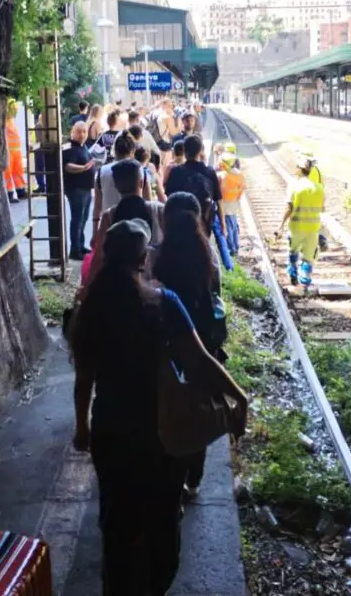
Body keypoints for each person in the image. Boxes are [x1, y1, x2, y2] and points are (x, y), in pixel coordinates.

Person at [70, 219, 247, 596]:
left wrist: (82, 426)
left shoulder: (92, 307)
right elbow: (200, 360)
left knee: (117, 520)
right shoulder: (163, 303)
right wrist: (239, 396)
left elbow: (84, 376)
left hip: (111, 428)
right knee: (162, 519)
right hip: (162, 431)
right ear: (142, 258)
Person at [151, 193, 226, 500]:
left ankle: (168, 477)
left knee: (166, 410)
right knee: (197, 410)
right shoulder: (208, 255)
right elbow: (216, 297)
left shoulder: (157, 256)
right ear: (199, 217)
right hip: (203, 346)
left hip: (166, 347)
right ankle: (192, 481)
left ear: (165, 219)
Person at [86, 158, 164, 285]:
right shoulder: (158, 211)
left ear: (116, 185)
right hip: (154, 284)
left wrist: (87, 288)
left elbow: (98, 257)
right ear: (141, 183)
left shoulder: (109, 216)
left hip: (120, 285)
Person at [274, 154, 324, 287]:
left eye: (296, 166)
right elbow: (322, 208)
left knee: (293, 251)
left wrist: (281, 225)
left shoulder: (295, 186)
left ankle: (293, 275)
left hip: (297, 226)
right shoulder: (319, 188)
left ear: (300, 169)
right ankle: (305, 283)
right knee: (309, 257)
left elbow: (289, 207)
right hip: (313, 228)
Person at [165, 134, 226, 243]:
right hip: (204, 223)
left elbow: (169, 198)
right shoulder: (210, 172)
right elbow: (219, 200)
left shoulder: (176, 171)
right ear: (201, 151)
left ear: (184, 150)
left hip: (181, 224)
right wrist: (223, 223)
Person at [93, 132, 149, 226]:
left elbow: (97, 207)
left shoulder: (101, 172)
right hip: (135, 225)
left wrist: (95, 232)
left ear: (114, 150)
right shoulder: (140, 171)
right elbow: (147, 202)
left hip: (109, 225)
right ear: (133, 151)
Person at [63, 120, 96, 260]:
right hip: (76, 189)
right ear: (73, 132)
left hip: (86, 188)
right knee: (77, 219)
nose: (82, 134)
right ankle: (74, 249)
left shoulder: (84, 147)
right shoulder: (70, 147)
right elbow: (67, 166)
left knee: (83, 219)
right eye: (79, 131)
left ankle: (80, 246)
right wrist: (83, 168)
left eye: (85, 131)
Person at [217, 153, 245, 257]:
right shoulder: (239, 174)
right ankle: (236, 246)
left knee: (228, 227)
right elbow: (242, 188)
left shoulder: (222, 176)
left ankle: (232, 249)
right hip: (234, 202)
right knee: (233, 225)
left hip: (225, 205)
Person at [4, 98, 26, 203]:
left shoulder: (11, 120)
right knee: (8, 173)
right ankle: (10, 194)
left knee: (18, 172)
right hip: (9, 151)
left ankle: (21, 190)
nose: (15, 112)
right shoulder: (4, 121)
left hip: (16, 151)